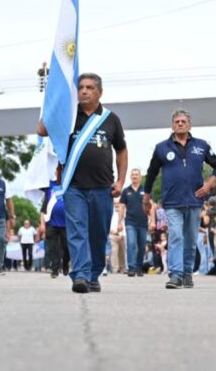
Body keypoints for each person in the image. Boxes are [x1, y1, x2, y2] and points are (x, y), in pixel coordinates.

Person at [37, 73, 128, 294]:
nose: (84, 91)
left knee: (97, 233)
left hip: (102, 187)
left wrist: (121, 180)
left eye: (89, 87)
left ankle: (94, 274)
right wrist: (55, 102)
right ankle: (80, 275)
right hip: (73, 186)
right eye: (80, 88)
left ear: (100, 92)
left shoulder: (110, 119)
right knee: (77, 231)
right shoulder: (67, 115)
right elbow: (41, 130)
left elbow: (121, 150)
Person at [144, 109, 216, 289]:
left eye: (183, 121)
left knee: (190, 239)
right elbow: (151, 173)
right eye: (177, 121)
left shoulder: (201, 145)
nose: (180, 123)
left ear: (189, 125)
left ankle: (187, 273)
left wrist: (209, 184)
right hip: (172, 202)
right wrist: (146, 197)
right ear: (172, 125)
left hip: (195, 200)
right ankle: (176, 274)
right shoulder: (161, 148)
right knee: (176, 236)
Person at [120, 169, 148, 277]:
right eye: (133, 175)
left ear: (140, 177)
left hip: (143, 222)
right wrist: (119, 222)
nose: (135, 176)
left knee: (141, 246)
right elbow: (122, 207)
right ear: (130, 177)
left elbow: (151, 206)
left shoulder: (145, 190)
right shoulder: (126, 191)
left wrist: (153, 221)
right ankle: (131, 268)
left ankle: (139, 267)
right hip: (130, 222)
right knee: (131, 244)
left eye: (136, 175)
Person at [41, 184, 69, 278]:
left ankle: (65, 262)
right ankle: (55, 269)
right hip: (51, 223)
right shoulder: (49, 188)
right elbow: (43, 208)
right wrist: (42, 224)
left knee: (66, 247)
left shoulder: (69, 183)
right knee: (52, 248)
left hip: (66, 224)